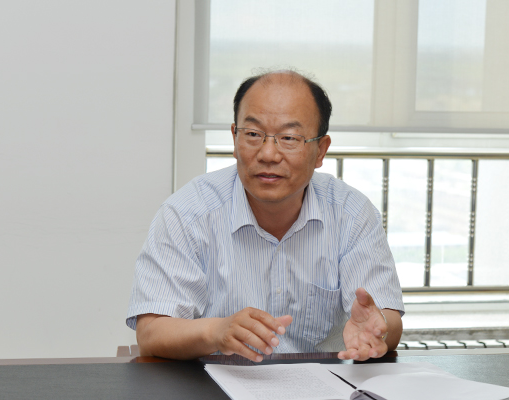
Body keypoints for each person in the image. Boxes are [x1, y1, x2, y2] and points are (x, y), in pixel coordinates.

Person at [126, 70, 404, 362]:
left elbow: (386, 319)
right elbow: (151, 333)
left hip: (321, 382)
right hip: (211, 382)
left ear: (320, 151)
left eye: (289, 137)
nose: (268, 154)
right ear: (235, 139)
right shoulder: (186, 213)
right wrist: (215, 331)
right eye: (253, 134)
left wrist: (378, 331)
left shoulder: (351, 214)